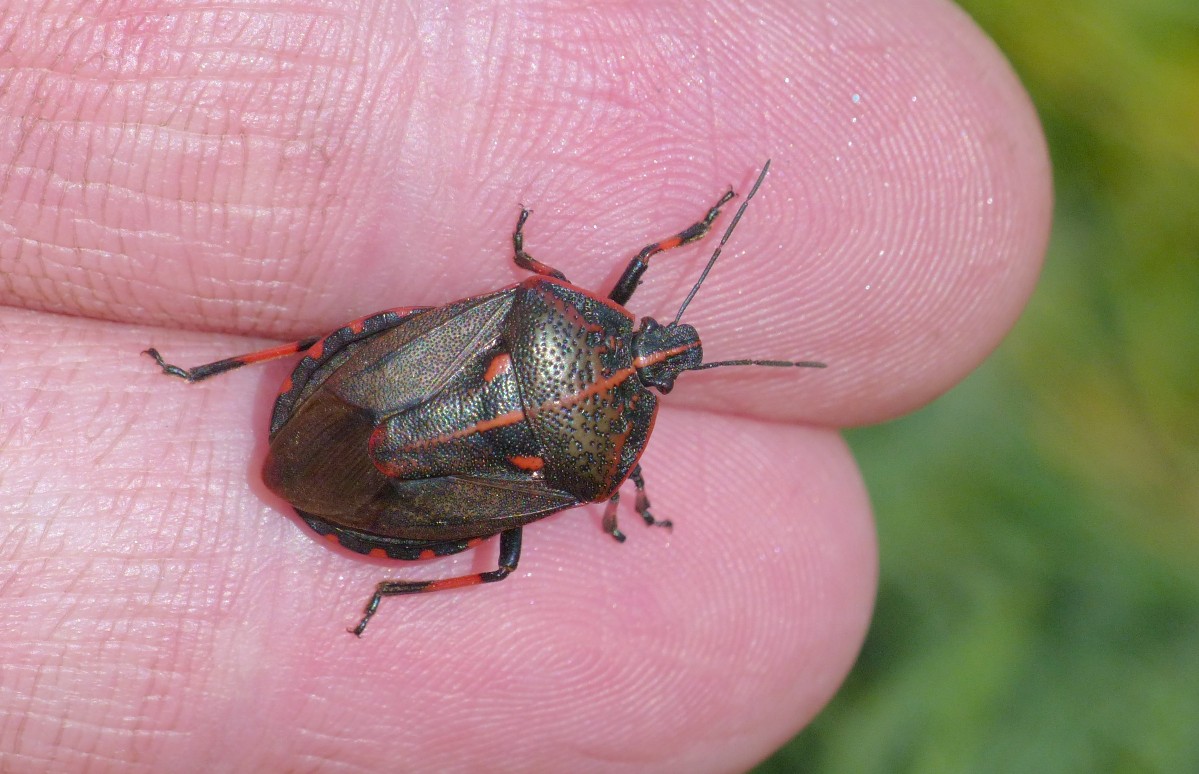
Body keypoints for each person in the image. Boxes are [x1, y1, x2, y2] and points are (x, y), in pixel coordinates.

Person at [0, 1, 1050, 769]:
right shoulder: (602, 457)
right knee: (485, 556)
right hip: (417, 491)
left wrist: (542, 264)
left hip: (392, 390)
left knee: (324, 345)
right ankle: (379, 576)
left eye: (665, 351)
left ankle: (198, 370)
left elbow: (548, 281)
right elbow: (601, 297)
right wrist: (626, 493)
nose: (669, 344)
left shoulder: (557, 325)